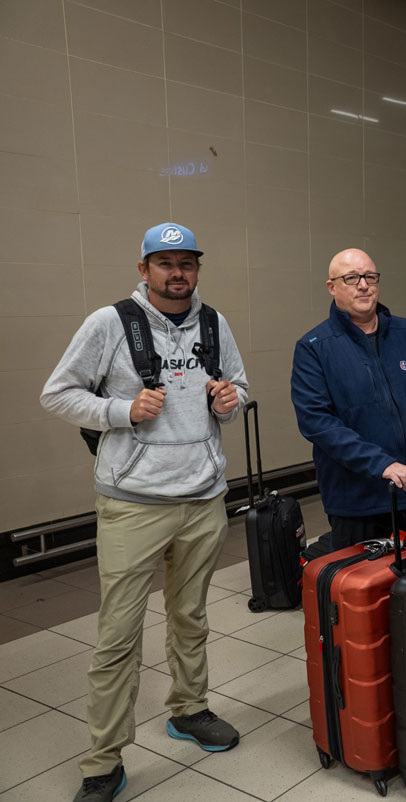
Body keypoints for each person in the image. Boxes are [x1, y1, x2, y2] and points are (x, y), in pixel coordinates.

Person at [41, 222, 249, 802]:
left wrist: (230, 400)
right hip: (133, 505)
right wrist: (122, 410)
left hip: (203, 498)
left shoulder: (215, 323)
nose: (177, 273)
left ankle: (189, 709)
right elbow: (58, 393)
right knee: (117, 636)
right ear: (144, 269)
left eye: (187, 263)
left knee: (191, 617)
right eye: (165, 263)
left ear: (197, 268)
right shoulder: (109, 324)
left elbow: (237, 388)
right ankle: (103, 761)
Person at [291, 248, 406, 551]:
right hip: (359, 506)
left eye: (370, 277)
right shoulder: (314, 348)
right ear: (332, 287)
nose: (363, 285)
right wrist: (383, 465)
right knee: (364, 582)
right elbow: (317, 423)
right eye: (351, 278)